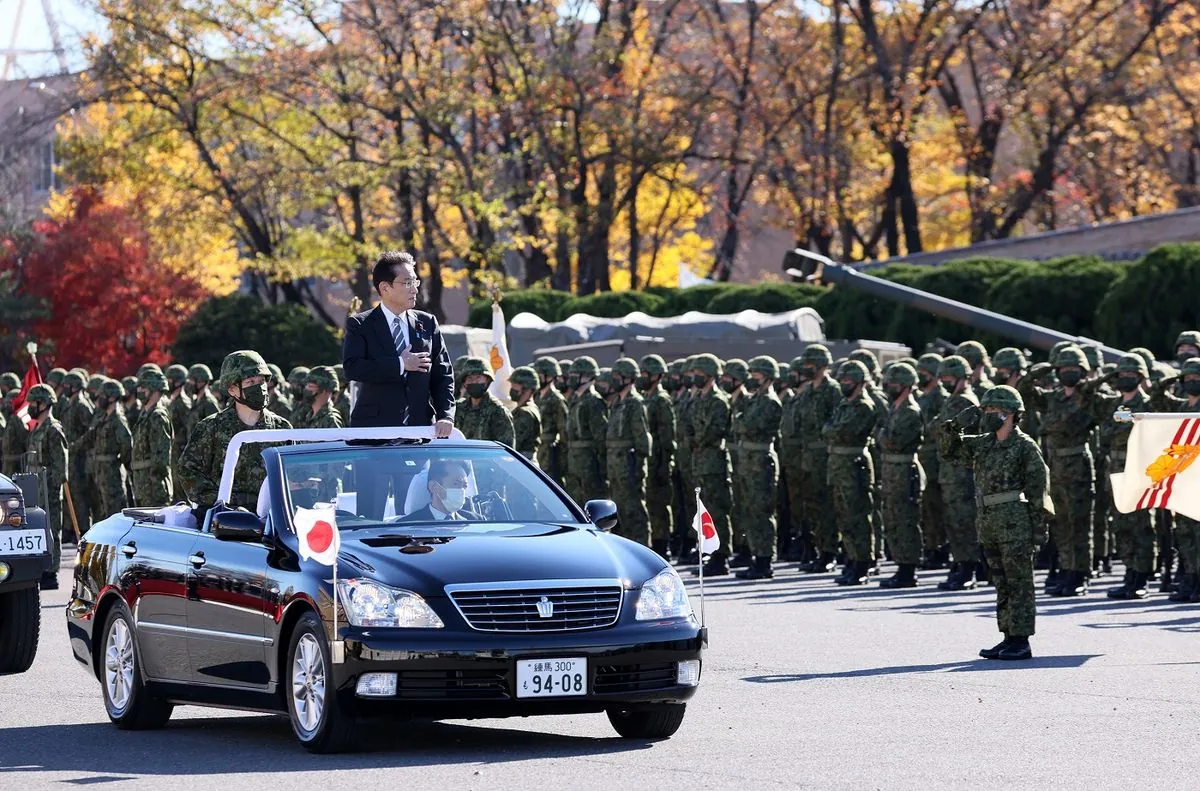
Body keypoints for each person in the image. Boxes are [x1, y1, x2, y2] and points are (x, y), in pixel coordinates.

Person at [939, 385, 1049, 661]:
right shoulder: (983, 443)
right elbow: (949, 452)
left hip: (1015, 522)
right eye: (985, 409)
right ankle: (1007, 636)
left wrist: (1039, 528)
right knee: (1001, 582)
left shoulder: (1024, 446)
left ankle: (1021, 640)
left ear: (1011, 414)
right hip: (988, 521)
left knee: (1019, 582)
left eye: (994, 410)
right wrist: (955, 425)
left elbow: (1039, 489)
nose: (988, 414)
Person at [343, 250, 455, 434]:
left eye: (415, 282)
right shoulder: (360, 324)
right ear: (385, 288)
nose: (415, 289)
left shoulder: (427, 323)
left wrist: (445, 415)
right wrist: (401, 364)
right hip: (374, 431)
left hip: (421, 429)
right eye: (407, 283)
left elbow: (443, 374)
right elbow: (352, 368)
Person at [1018, 345, 1097, 597]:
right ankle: (1065, 569)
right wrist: (1037, 372)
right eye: (1063, 369)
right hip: (1055, 466)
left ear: (1083, 371)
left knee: (1079, 523)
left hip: (1077, 465)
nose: (1068, 373)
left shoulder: (1090, 397)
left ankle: (1080, 573)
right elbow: (1024, 393)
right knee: (1060, 523)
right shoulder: (1052, 397)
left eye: (1074, 369)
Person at [178, 350, 292, 513]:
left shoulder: (282, 428)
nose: (259, 387)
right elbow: (188, 471)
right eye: (250, 381)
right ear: (232, 389)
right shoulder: (211, 427)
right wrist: (221, 502)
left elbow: (293, 476)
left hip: (271, 519)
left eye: (262, 381)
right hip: (223, 520)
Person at [823, 360, 879, 586]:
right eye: (842, 380)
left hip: (854, 465)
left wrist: (832, 430)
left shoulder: (864, 406)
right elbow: (827, 430)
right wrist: (832, 430)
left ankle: (863, 563)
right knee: (844, 516)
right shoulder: (844, 404)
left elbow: (842, 431)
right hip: (838, 465)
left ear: (859, 383)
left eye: (848, 381)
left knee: (858, 516)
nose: (844, 384)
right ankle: (851, 559)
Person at [934, 355, 982, 590]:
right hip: (950, 472)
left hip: (961, 473)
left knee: (964, 522)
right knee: (954, 522)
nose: (945, 382)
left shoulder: (965, 402)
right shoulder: (952, 400)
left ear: (963, 379)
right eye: (943, 378)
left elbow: (947, 432)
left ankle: (968, 569)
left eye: (950, 378)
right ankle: (961, 564)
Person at [793, 345, 842, 573]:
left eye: (810, 365)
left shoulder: (832, 390)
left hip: (824, 456)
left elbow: (837, 422)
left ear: (822, 365)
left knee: (826, 507)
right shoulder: (809, 391)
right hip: (807, 456)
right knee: (811, 507)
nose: (806, 369)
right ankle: (817, 550)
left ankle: (830, 552)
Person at [876, 363, 925, 588]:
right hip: (891, 470)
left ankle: (908, 569)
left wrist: (882, 436)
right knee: (893, 518)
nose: (889, 388)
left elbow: (891, 441)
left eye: (894, 384)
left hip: (904, 471)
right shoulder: (894, 409)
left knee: (905, 519)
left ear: (906, 387)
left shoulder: (910, 412)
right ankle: (900, 565)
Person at [734, 356, 783, 580]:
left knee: (762, 511)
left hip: (761, 460)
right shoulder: (756, 400)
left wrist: (740, 421)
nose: (753, 380)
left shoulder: (770, 402)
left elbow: (746, 425)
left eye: (757, 376)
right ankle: (756, 556)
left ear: (768, 378)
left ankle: (764, 560)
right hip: (748, 460)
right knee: (750, 510)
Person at [689, 354, 733, 576]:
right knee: (704, 511)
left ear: (709, 376)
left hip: (713, 463)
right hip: (699, 462)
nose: (695, 377)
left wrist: (696, 440)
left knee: (717, 511)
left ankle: (721, 556)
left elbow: (713, 431)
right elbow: (687, 427)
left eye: (699, 374)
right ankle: (710, 552)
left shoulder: (718, 401)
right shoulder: (697, 399)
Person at [24, 384, 67, 587]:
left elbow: (60, 465)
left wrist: (53, 488)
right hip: (35, 486)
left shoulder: (53, 429)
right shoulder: (37, 429)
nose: (31, 407)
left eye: (34, 403)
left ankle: (51, 572)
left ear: (44, 403)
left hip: (48, 487)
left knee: (51, 528)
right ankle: (40, 566)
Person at [605, 358, 652, 546]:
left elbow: (642, 439)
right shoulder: (617, 402)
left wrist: (638, 468)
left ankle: (643, 546)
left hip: (629, 465)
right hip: (616, 466)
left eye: (618, 377)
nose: (614, 380)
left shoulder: (635, 403)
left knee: (634, 511)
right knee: (620, 511)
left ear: (628, 379)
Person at [79, 378, 133, 519]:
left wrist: (119, 464)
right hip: (101, 473)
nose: (100, 399)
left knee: (115, 511)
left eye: (103, 396)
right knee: (103, 511)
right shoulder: (103, 419)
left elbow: (127, 446)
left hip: (112, 474)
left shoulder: (117, 420)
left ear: (112, 398)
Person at [639, 354, 676, 559]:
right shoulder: (646, 397)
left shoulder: (662, 400)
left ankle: (663, 545)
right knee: (650, 504)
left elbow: (667, 437)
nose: (642, 377)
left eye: (646, 373)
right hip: (649, 461)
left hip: (659, 460)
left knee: (659, 505)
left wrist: (664, 465)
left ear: (657, 375)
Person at [915, 352, 948, 568]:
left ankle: (940, 549)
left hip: (935, 458)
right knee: (925, 508)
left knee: (936, 506)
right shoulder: (920, 397)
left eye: (926, 373)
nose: (922, 377)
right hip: (921, 456)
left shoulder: (941, 397)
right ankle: (930, 546)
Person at [563, 357, 608, 505]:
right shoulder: (576, 400)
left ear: (587, 377)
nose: (571, 379)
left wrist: (601, 468)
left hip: (589, 464)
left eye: (575, 376)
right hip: (574, 462)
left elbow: (601, 437)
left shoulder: (593, 402)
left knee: (592, 503)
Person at [130, 369, 174, 507]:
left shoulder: (158, 417)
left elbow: (161, 458)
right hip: (142, 485)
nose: (139, 390)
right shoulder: (145, 414)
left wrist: (154, 484)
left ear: (154, 390)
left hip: (153, 489)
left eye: (143, 387)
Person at [454, 357, 515, 444]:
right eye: (470, 378)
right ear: (464, 382)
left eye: (478, 377)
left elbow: (506, 450)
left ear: (488, 380)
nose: (474, 381)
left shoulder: (498, 412)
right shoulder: (458, 408)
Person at [400, 460, 483, 521]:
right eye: (455, 484)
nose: (461, 490)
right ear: (433, 486)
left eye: (464, 486)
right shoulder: (408, 524)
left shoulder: (476, 521)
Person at [533, 357, 567, 483]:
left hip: (550, 454)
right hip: (537, 449)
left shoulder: (556, 399)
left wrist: (561, 461)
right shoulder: (536, 397)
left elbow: (564, 432)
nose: (537, 378)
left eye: (539, 375)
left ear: (549, 376)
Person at [508, 366, 542, 461]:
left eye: (515, 385)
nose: (512, 388)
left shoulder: (525, 413)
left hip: (522, 461)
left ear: (527, 388)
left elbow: (514, 443)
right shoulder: (531, 408)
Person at [186, 364, 221, 440]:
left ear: (201, 381)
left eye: (192, 381)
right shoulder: (196, 401)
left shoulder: (209, 403)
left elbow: (217, 429)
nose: (189, 384)